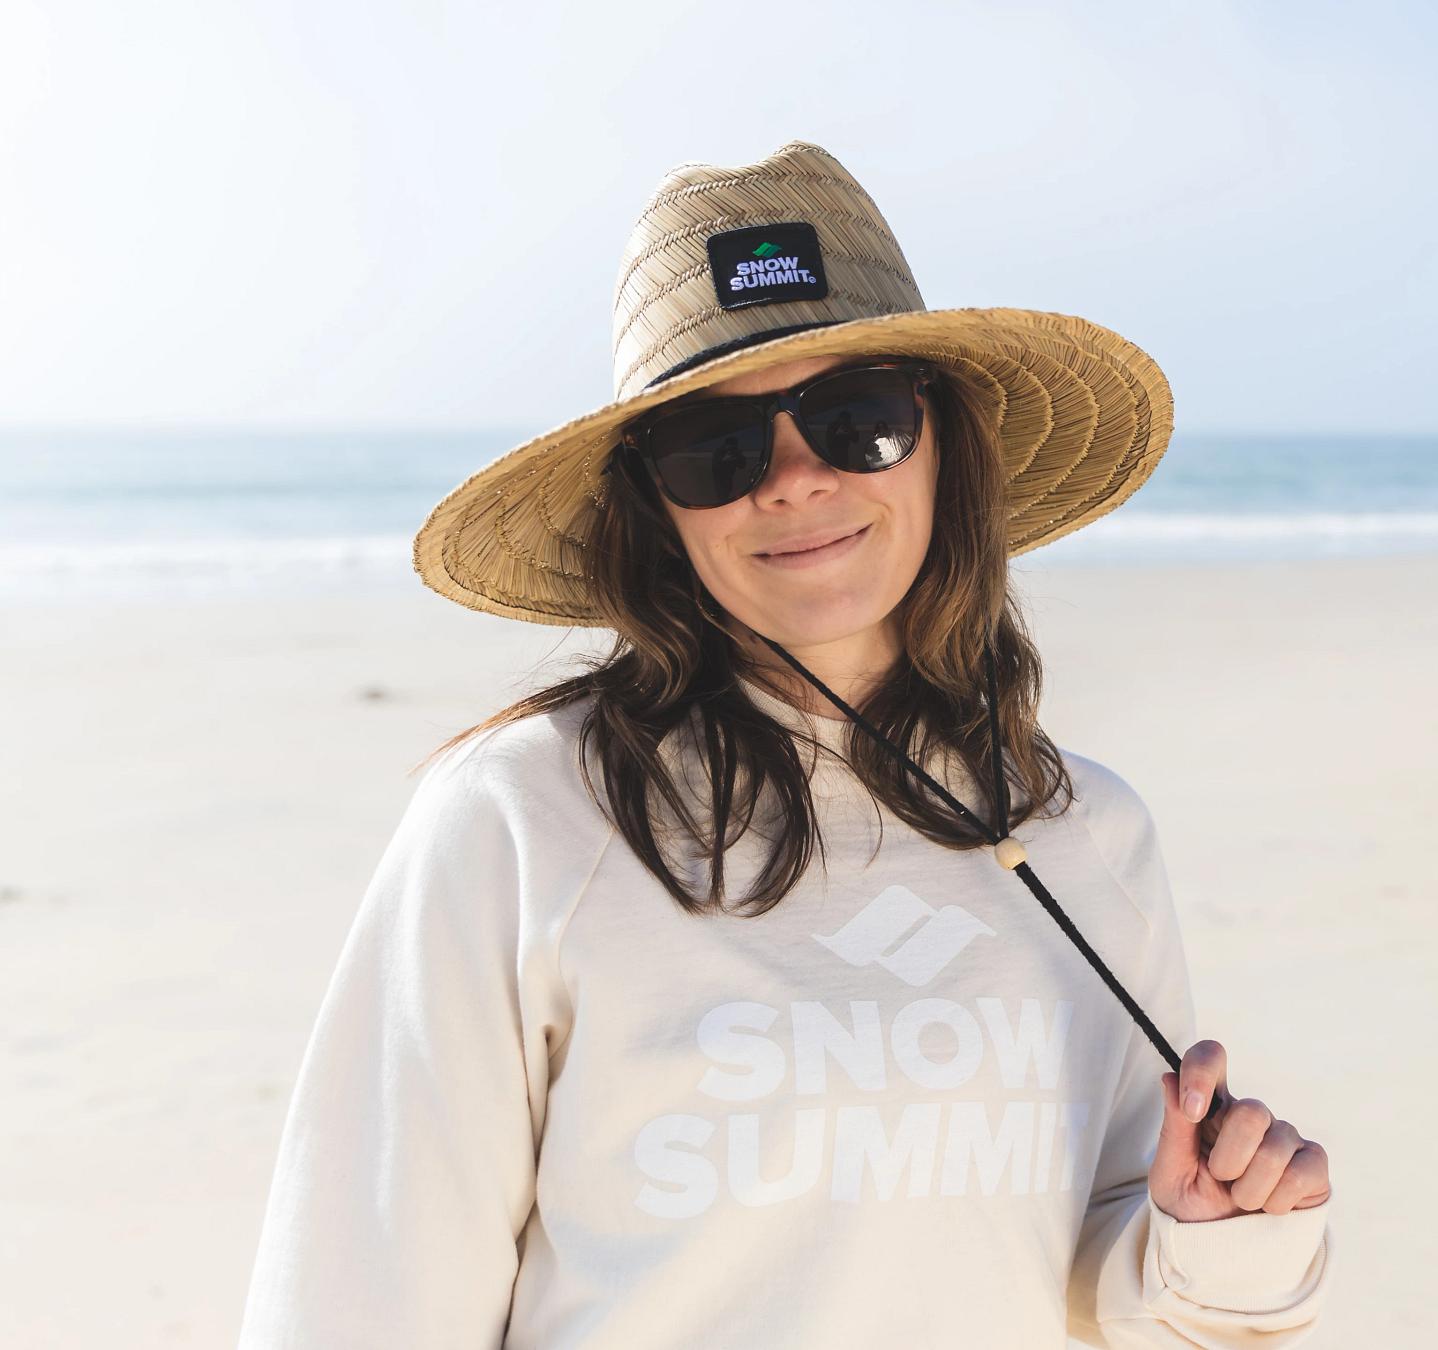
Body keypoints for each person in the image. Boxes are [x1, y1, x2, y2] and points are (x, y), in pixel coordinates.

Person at [235, 140, 1335, 1348]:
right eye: (717, 449)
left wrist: (1226, 1234)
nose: (795, 480)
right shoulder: (523, 819)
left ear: (941, 440)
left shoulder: (1088, 831)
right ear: (656, 510)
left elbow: (1117, 1288)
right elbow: (358, 1295)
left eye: (856, 419)